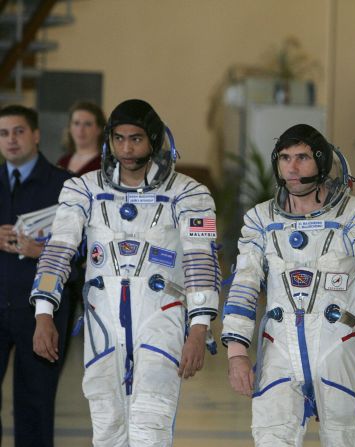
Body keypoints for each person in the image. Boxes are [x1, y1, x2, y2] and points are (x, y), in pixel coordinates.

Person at [29, 99, 221, 446]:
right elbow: (57, 252)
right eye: (119, 139)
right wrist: (44, 313)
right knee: (106, 428)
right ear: (109, 141)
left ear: (154, 140)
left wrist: (199, 329)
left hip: (162, 318)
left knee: (151, 424)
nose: (127, 148)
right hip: (103, 319)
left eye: (136, 139)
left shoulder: (191, 194)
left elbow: (201, 263)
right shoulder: (82, 189)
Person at [222, 124, 355, 446]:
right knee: (271, 437)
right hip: (279, 345)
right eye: (285, 157)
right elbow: (244, 285)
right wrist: (237, 353)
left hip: (339, 343)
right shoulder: (260, 220)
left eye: (302, 157)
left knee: (341, 438)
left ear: (321, 161)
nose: (292, 167)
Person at [0, 105, 73, 446]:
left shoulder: (66, 186)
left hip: (41, 313)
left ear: (36, 135)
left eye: (18, 131)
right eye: (3, 134)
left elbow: (87, 255)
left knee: (34, 407)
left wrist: (41, 252)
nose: (11, 140)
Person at [57, 101, 106, 175]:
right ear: (69, 127)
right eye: (76, 123)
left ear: (99, 129)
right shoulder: (62, 162)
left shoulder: (104, 165)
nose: (81, 130)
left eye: (87, 124)